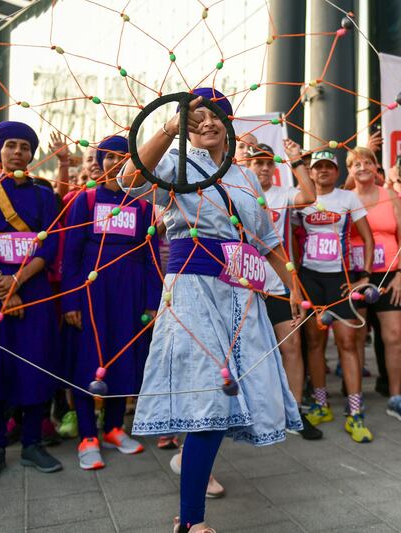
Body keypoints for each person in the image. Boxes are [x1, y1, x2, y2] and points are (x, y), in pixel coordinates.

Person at [121, 87, 303, 533]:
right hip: (193, 290)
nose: (205, 123)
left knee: (226, 397)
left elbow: (268, 240)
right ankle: (190, 522)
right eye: (194, 117)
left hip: (240, 293)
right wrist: (168, 124)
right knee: (207, 397)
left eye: (213, 116)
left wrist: (294, 287)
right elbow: (130, 179)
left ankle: (193, 458)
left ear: (228, 122)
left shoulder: (244, 177)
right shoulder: (174, 162)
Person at [0, 120, 63, 481]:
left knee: (37, 363)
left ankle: (33, 443)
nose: (17, 152)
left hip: (33, 290)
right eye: (10, 146)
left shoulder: (44, 196)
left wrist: (17, 280)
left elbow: (49, 247)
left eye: (24, 146)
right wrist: (2, 284)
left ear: (32, 153)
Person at [61, 136, 161, 470]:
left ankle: (115, 428)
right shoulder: (85, 200)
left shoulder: (144, 206)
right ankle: (87, 435)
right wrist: (71, 301)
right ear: (100, 161)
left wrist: (151, 303)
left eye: (124, 157)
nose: (116, 163)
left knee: (125, 358)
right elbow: (70, 255)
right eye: (109, 157)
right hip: (92, 292)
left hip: (130, 293)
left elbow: (151, 261)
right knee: (88, 359)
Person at [298, 150, 375, 443]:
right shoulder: (300, 199)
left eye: (329, 166)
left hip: (340, 280)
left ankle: (355, 412)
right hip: (310, 279)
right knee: (314, 342)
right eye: (318, 167)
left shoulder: (348, 198)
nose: (324, 171)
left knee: (347, 343)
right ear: (312, 172)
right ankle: (321, 404)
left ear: (336, 172)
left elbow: (367, 237)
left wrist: (365, 276)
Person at [247, 141, 320, 439]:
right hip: (246, 289)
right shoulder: (238, 195)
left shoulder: (283, 194)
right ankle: (253, 412)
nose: (264, 168)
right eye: (257, 163)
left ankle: (295, 411)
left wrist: (296, 160)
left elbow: (310, 196)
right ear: (247, 166)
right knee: (252, 354)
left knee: (291, 348)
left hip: (280, 288)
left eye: (268, 163)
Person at [346, 147, 401, 423]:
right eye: (355, 164)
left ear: (376, 168)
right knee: (356, 337)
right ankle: (355, 395)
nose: (362, 167)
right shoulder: (345, 199)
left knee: (395, 336)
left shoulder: (391, 197)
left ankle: (396, 396)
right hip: (356, 273)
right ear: (350, 171)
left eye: (367, 162)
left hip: (388, 272)